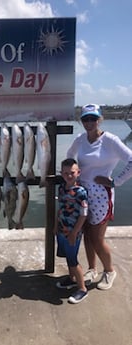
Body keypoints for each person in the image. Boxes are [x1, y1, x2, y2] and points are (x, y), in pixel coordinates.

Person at [67, 103, 132, 290]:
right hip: (82, 192)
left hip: (102, 195)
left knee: (97, 238)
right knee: (86, 234)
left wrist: (115, 182)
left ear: (99, 120)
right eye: (85, 119)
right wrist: (72, 176)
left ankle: (109, 271)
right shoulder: (80, 139)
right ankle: (92, 268)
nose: (89, 122)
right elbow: (70, 158)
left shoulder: (110, 140)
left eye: (93, 119)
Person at [54, 158, 88, 304]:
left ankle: (82, 289)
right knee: (67, 257)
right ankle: (72, 278)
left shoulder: (81, 192)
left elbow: (83, 214)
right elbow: (60, 209)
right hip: (62, 230)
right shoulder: (61, 188)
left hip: (73, 232)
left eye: (72, 173)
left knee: (73, 260)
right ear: (61, 173)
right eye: (65, 173)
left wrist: (74, 232)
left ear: (78, 173)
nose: (68, 176)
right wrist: (56, 225)